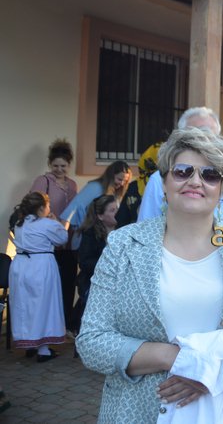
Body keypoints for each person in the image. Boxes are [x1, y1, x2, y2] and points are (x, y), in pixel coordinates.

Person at [76, 127, 223, 423]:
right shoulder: (123, 246)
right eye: (183, 171)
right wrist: (180, 360)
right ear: (164, 180)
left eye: (210, 174)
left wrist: (217, 368)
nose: (195, 181)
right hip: (138, 412)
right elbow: (91, 340)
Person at [137, 107, 223, 229]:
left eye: (210, 136)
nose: (195, 182)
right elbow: (145, 227)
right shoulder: (160, 178)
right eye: (195, 136)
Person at [59, 159, 130, 331]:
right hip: (88, 238)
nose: (121, 183)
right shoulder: (95, 188)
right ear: (111, 175)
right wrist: (61, 236)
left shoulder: (115, 193)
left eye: (125, 181)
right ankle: (75, 325)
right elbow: (72, 210)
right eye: (119, 179)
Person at [9, 191, 68, 362]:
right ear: (42, 207)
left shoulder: (19, 224)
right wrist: (56, 221)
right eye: (48, 205)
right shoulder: (46, 224)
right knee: (44, 305)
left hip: (20, 266)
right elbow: (62, 238)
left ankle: (30, 345)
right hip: (40, 265)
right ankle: (43, 350)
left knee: (25, 306)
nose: (49, 208)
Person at [28, 139, 77, 334]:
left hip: (68, 242)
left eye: (63, 166)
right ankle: (47, 328)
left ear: (69, 165)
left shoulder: (72, 184)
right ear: (50, 164)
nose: (59, 169)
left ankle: (64, 326)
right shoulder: (43, 181)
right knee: (49, 289)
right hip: (48, 245)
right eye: (55, 166)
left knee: (67, 284)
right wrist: (51, 219)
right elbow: (32, 207)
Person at [74, 195, 118, 334]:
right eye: (112, 210)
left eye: (117, 209)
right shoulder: (90, 234)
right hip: (94, 283)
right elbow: (85, 261)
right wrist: (108, 267)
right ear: (100, 216)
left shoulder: (123, 231)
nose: (117, 213)